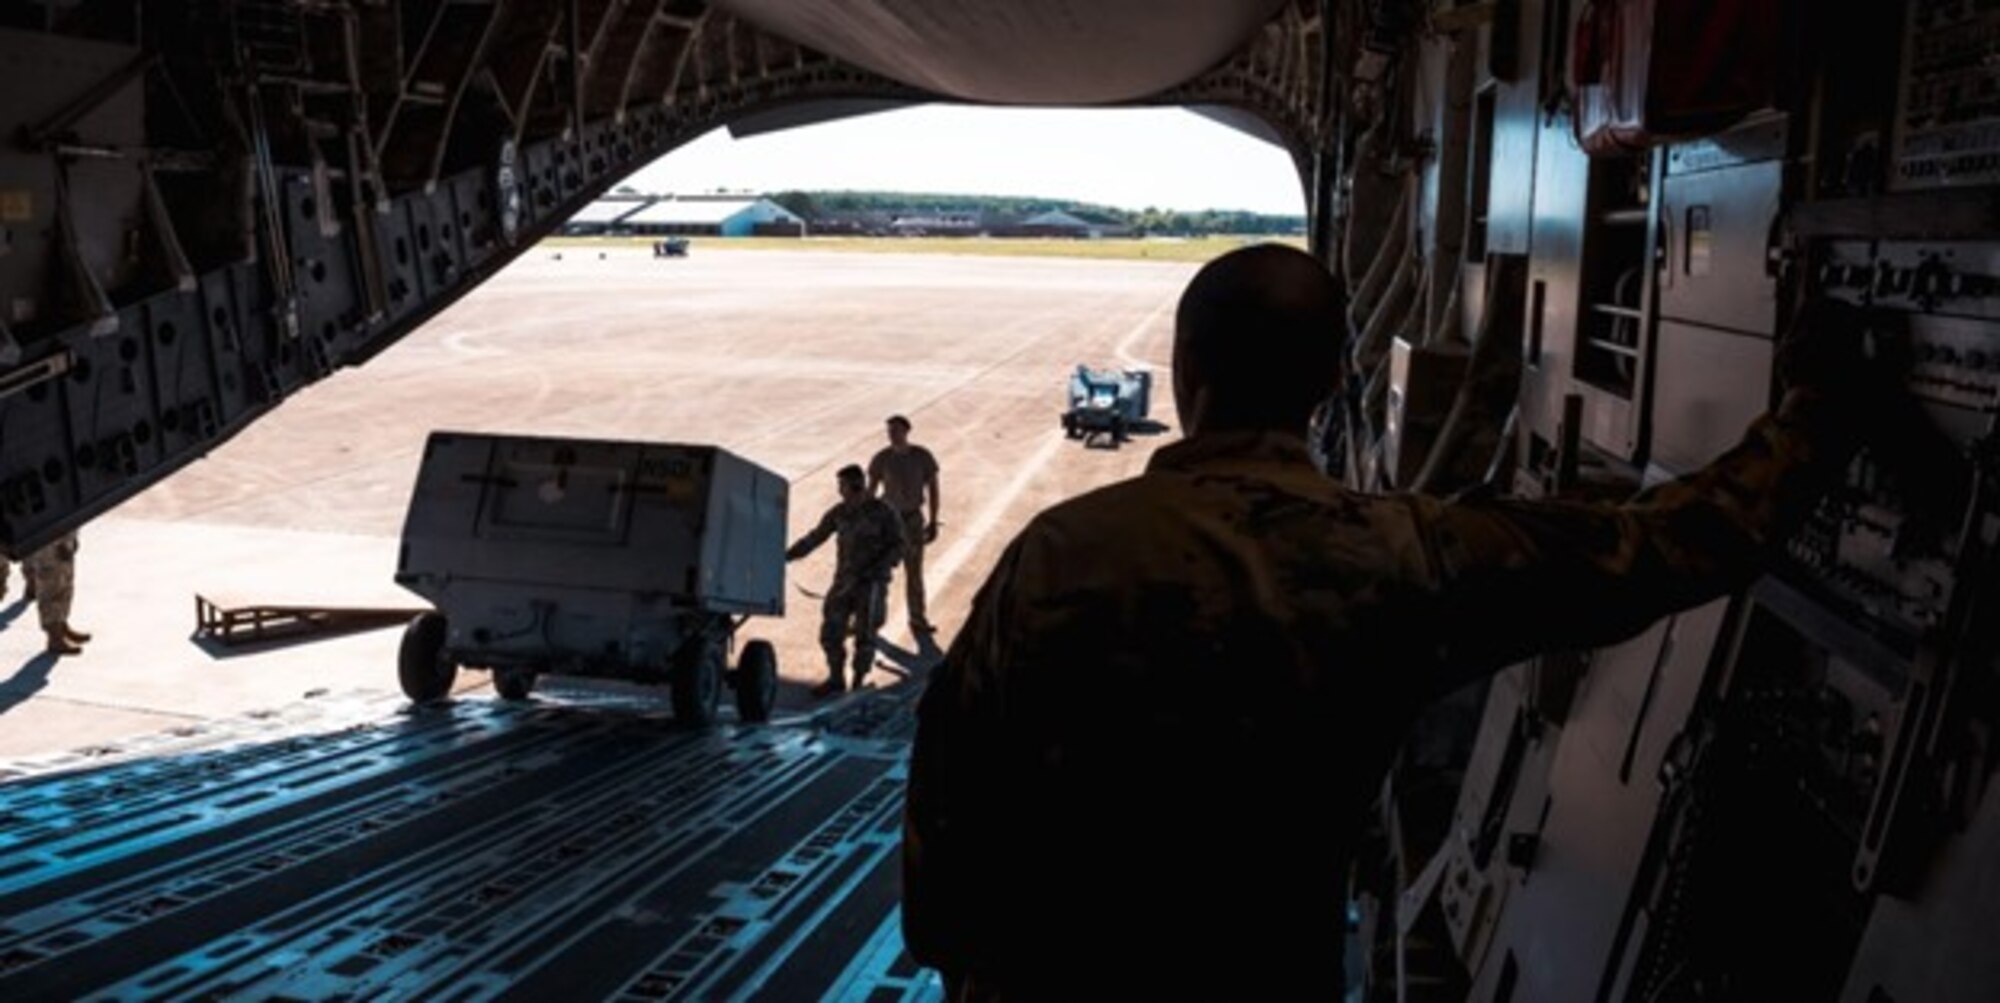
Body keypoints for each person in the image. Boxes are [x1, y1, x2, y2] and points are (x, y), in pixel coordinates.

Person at [902, 244, 1900, 999]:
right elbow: (1674, 547)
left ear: (1183, 373)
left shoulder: (1057, 551)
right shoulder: (1400, 556)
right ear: (1331, 380)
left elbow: (946, 803)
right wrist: (1816, 407)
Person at [787, 464, 905, 698]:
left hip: (871, 584)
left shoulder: (882, 511)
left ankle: (858, 682)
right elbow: (816, 536)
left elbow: (899, 544)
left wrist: (880, 568)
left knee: (866, 635)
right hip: (844, 582)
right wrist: (788, 555)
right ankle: (836, 678)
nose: (839, 490)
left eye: (842, 485)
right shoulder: (839, 512)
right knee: (831, 630)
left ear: (855, 486)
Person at [867, 414, 942, 635]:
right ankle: (870, 620)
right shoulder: (881, 458)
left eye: (896, 431)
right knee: (878, 574)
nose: (892, 435)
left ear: (907, 431)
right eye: (889, 431)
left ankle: (917, 620)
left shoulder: (923, 456)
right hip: (887, 523)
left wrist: (934, 520)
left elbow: (934, 490)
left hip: (912, 521)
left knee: (914, 573)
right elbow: (871, 492)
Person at [24, 532, 88, 656]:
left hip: (64, 535)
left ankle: (61, 624)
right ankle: (54, 636)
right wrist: (58, 541)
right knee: (51, 586)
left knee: (65, 583)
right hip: (49, 539)